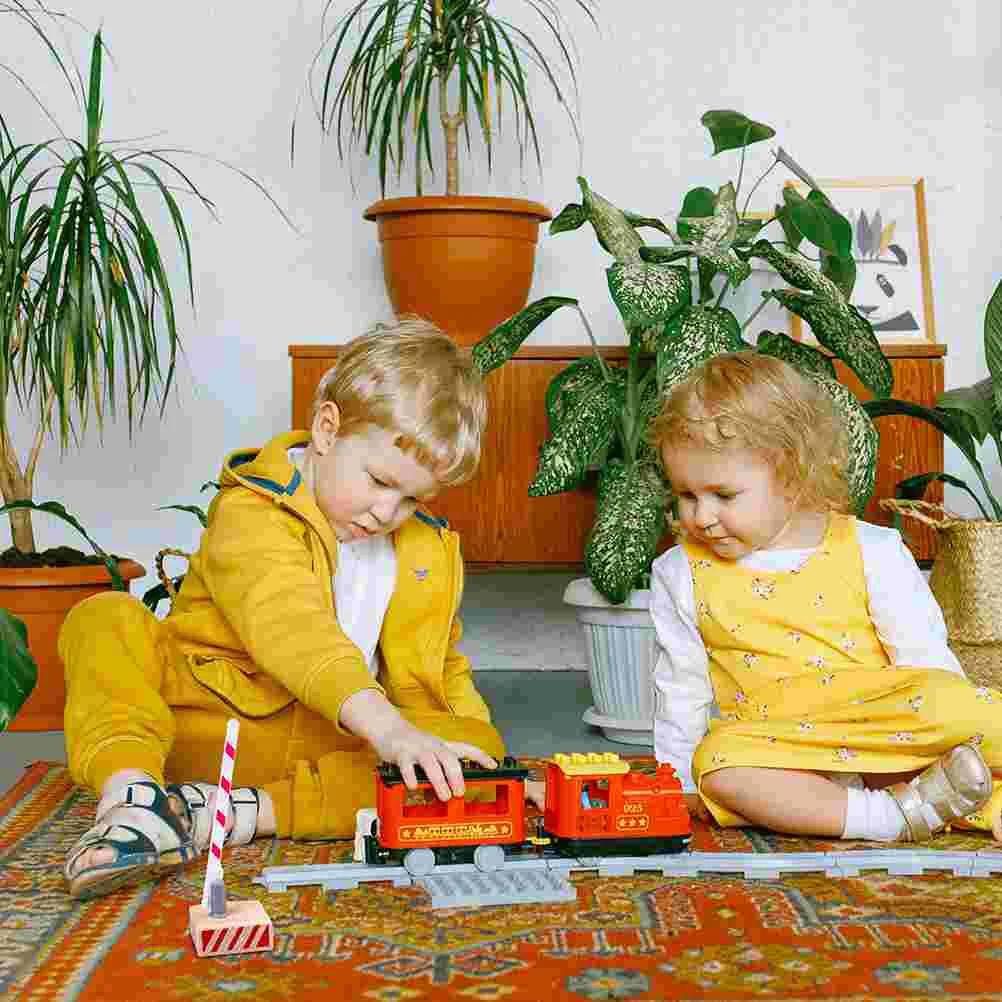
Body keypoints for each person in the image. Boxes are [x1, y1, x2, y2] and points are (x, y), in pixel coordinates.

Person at [59, 318, 508, 900]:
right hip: (207, 722)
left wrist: (494, 772)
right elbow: (292, 628)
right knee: (102, 617)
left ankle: (234, 812)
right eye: (378, 481)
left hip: (326, 745)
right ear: (326, 430)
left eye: (413, 498)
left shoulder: (424, 548)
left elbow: (443, 668)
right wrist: (390, 728)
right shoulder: (251, 511)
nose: (386, 511)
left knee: (476, 753)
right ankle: (136, 797)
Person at [648, 350, 1002, 845]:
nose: (701, 516)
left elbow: (925, 662)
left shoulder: (872, 550)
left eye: (724, 496)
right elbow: (680, 687)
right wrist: (677, 783)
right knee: (717, 764)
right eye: (686, 495)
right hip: (781, 752)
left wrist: (946, 724)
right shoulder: (680, 571)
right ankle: (885, 817)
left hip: (882, 735)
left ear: (792, 477)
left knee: (965, 708)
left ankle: (967, 792)